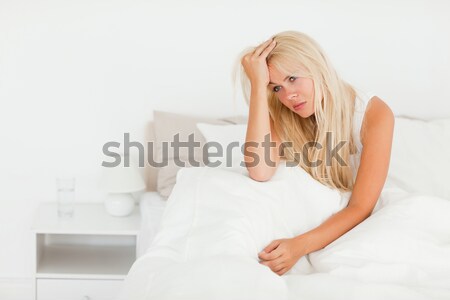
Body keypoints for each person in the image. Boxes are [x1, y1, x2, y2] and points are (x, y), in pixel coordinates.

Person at [239, 31, 395, 276]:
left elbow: (361, 207)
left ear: (316, 67)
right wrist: (259, 87)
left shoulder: (373, 113)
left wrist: (299, 246)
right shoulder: (282, 112)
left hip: (353, 220)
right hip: (310, 217)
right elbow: (260, 171)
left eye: (293, 78)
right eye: (276, 87)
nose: (288, 95)